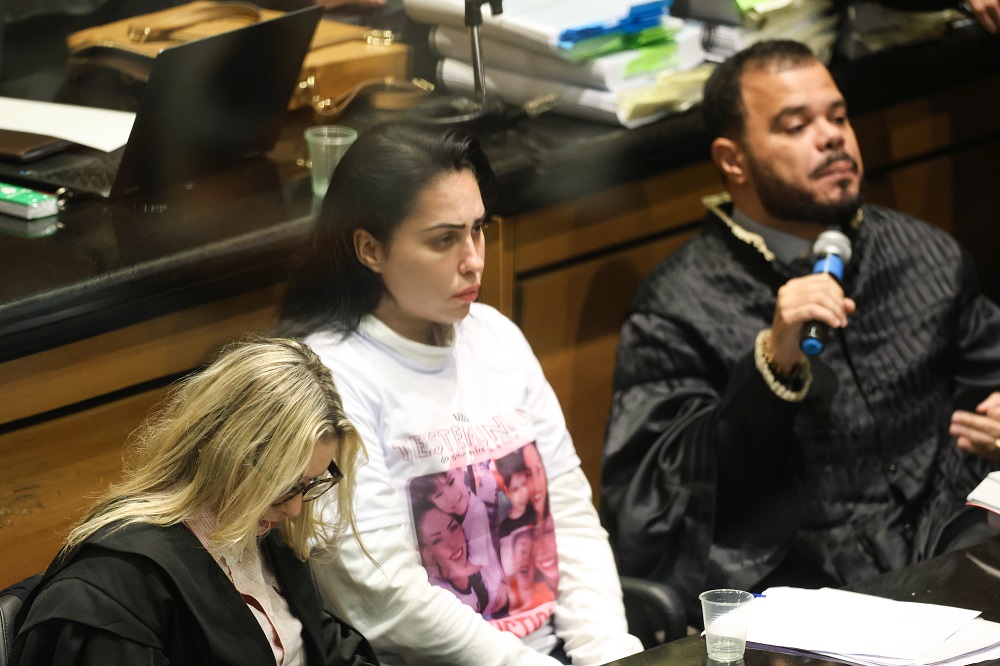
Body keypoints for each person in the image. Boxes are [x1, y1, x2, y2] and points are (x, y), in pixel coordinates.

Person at [601, 39, 1000, 624]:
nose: (832, 136)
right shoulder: (677, 307)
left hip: (952, 553)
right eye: (796, 125)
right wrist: (774, 364)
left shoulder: (924, 255)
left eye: (838, 117)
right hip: (803, 594)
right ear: (733, 160)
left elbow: (988, 379)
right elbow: (657, 509)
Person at [277, 121, 643, 665]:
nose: (474, 260)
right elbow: (383, 594)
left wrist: (610, 654)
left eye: (479, 230)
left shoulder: (497, 336)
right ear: (370, 249)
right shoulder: (330, 376)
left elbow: (569, 518)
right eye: (444, 239)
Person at [9, 337, 380, 665]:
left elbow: (330, 653)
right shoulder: (116, 587)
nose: (295, 508)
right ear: (216, 445)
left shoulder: (266, 539)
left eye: (310, 484)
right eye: (283, 484)